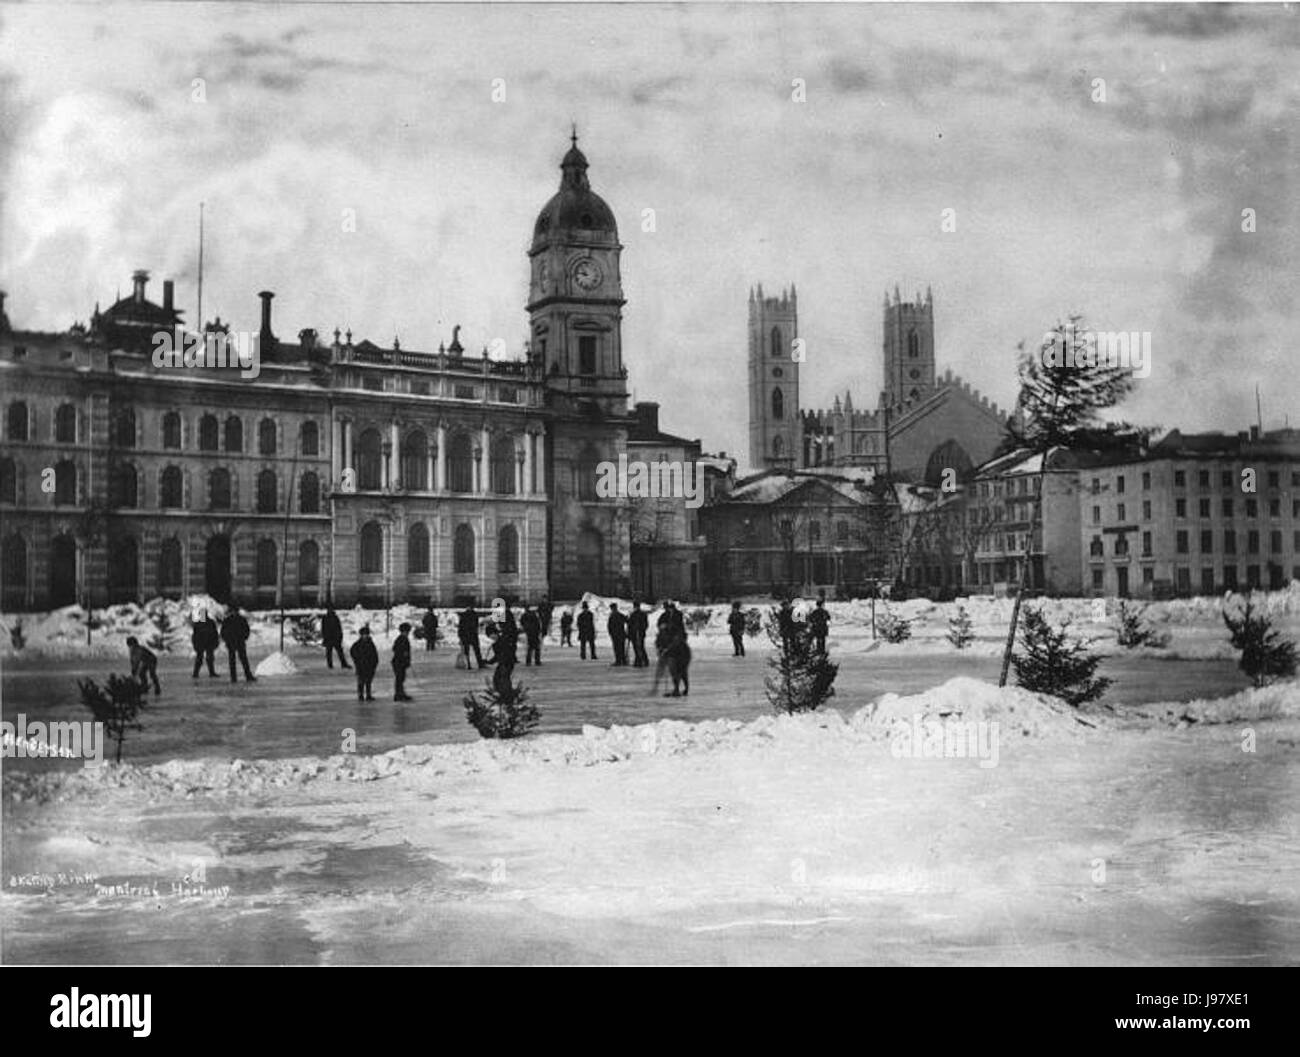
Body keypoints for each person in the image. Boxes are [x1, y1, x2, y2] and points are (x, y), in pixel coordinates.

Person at [221, 605, 256, 683]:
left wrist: (227, 640)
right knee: (242, 660)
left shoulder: (228, 620)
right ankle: (247, 676)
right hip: (238, 642)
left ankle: (235, 678)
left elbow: (223, 632)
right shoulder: (240, 619)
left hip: (234, 642)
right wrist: (244, 637)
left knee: (236, 660)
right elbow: (246, 630)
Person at [350, 625, 378, 701]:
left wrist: (374, 663)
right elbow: (352, 652)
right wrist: (357, 660)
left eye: (366, 634)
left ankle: (368, 694)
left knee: (368, 681)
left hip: (369, 665)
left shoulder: (371, 644)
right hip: (361, 665)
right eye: (364, 635)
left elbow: (374, 654)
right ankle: (361, 694)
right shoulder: (358, 644)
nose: (365, 636)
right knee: (361, 681)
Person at [191, 610, 219, 678]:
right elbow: (195, 635)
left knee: (208, 659)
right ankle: (197, 673)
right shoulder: (208, 623)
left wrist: (215, 642)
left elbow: (215, 633)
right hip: (204, 643)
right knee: (201, 659)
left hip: (207, 643)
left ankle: (198, 673)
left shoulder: (206, 623)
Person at [458, 603, 486, 669]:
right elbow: (476, 625)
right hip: (473, 635)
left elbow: (461, 626)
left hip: (465, 636)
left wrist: (460, 636)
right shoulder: (474, 614)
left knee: (466, 651)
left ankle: (468, 664)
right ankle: (480, 663)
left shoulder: (463, 615)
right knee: (477, 650)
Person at [392, 622, 413, 701]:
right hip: (398, 662)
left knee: (401, 678)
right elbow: (395, 649)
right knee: (399, 679)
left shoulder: (403, 638)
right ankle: (398, 695)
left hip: (401, 662)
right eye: (407, 631)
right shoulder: (401, 639)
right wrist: (403, 654)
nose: (407, 633)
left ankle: (401, 693)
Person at [627, 601, 649, 668]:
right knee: (637, 647)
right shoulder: (633, 614)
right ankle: (639, 660)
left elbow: (645, 624)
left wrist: (641, 629)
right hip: (634, 634)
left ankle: (643, 660)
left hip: (640, 633)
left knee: (640, 647)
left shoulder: (642, 614)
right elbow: (630, 625)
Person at [607, 603, 628, 667]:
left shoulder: (612, 616)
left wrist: (611, 633)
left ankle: (619, 661)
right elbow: (627, 621)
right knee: (621, 648)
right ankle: (623, 660)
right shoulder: (620, 615)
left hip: (616, 635)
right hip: (620, 634)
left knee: (617, 648)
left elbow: (609, 626)